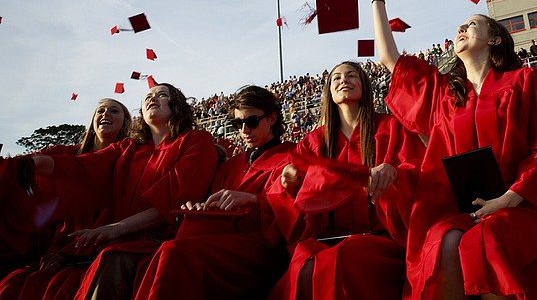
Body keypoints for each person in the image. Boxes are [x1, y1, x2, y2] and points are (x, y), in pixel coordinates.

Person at [363, 0, 537, 300]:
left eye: (473, 24)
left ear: (494, 39)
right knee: (443, 241)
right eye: (460, 26)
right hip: (462, 209)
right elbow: (391, 59)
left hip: (518, 206)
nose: (462, 28)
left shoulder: (522, 82)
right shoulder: (445, 92)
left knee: (485, 241)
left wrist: (508, 198)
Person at [10, 83, 218, 299]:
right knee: (23, 281)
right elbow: (85, 166)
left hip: (161, 238)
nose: (151, 98)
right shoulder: (128, 148)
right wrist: (33, 165)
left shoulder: (196, 140)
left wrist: (115, 229)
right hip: (118, 238)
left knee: (111, 260)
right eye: (147, 96)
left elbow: (172, 200)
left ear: (177, 106)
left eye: (162, 95)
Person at [269, 61, 426, 300]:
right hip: (327, 239)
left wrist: (395, 173)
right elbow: (292, 203)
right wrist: (287, 183)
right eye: (336, 78)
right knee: (304, 264)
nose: (344, 80)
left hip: (382, 238)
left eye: (352, 75)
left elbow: (420, 170)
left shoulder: (391, 127)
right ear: (329, 93)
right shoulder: (313, 142)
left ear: (364, 85)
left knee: (338, 260)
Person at [134, 85, 295, 299]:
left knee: (174, 253)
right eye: (238, 124)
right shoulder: (231, 165)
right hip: (220, 241)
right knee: (166, 250)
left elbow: (295, 214)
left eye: (252, 122)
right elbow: (213, 205)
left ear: (272, 119)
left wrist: (254, 200)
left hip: (261, 249)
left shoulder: (292, 157)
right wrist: (200, 207)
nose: (244, 131)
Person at [0, 99, 132, 298]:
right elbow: (21, 165)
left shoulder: (128, 153)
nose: (106, 114)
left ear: (126, 122)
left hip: (102, 242)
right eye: (101, 111)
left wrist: (46, 165)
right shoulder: (66, 152)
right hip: (60, 243)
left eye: (114, 111)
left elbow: (75, 167)